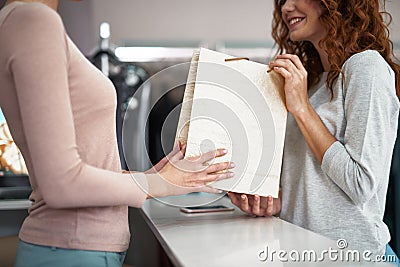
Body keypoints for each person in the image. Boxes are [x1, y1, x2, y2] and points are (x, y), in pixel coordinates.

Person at [0, 0, 235, 266]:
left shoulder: (19, 21)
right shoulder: (34, 20)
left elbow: (74, 169)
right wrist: (163, 183)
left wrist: (151, 177)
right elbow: (60, 184)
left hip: (73, 248)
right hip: (72, 251)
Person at [229, 0, 400, 263]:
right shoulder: (312, 82)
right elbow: (315, 186)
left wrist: (302, 109)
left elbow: (360, 183)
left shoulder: (367, 68)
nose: (286, 7)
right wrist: (277, 203)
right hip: (302, 255)